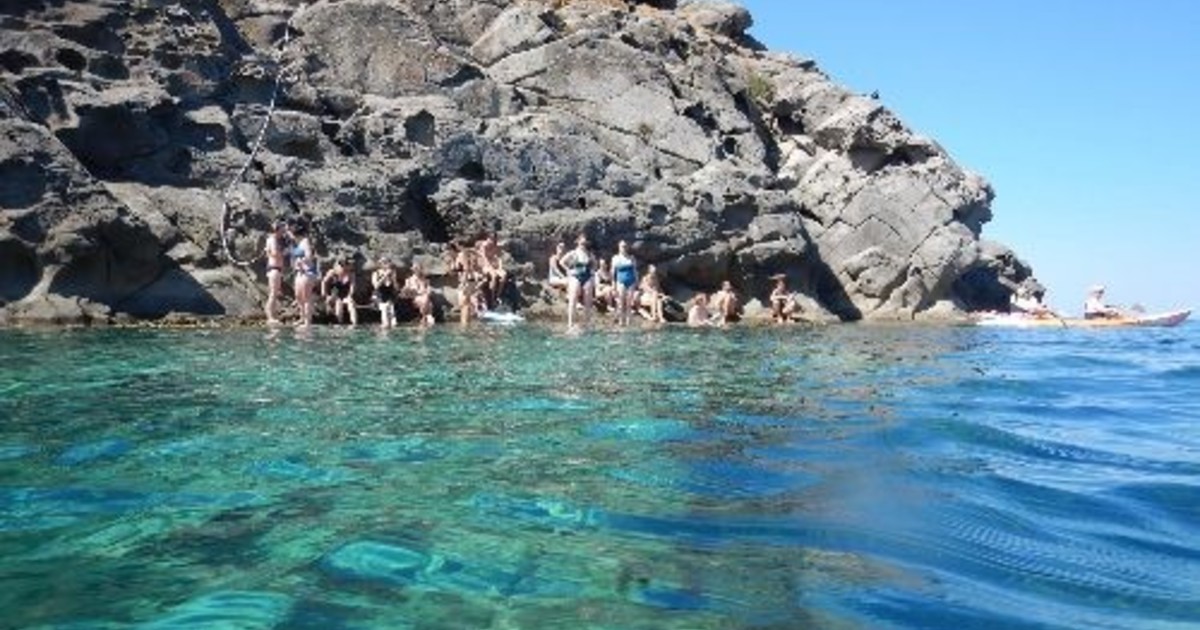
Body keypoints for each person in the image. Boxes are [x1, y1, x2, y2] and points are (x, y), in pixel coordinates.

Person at [559, 234, 596, 330]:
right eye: (582, 243)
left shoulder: (589, 254)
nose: (583, 244)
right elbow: (562, 262)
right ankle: (570, 324)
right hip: (575, 276)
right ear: (578, 242)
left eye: (585, 243)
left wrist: (592, 272)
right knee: (573, 299)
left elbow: (594, 264)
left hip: (587, 277)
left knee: (588, 301)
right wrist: (568, 270)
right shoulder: (573, 253)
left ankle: (587, 323)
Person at [290, 223, 318, 328]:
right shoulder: (297, 243)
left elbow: (309, 256)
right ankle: (302, 317)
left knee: (306, 297)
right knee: (298, 296)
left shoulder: (305, 242)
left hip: (307, 272)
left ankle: (307, 322)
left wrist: (301, 261)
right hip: (299, 272)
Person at [263, 220, 290, 324]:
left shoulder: (273, 239)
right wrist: (285, 252)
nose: (284, 231)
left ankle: (272, 315)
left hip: (275, 269)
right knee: (273, 294)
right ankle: (270, 317)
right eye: (282, 229)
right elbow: (274, 253)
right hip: (274, 268)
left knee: (274, 293)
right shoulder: (273, 239)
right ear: (278, 229)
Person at [321, 258, 358, 326]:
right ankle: (339, 322)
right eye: (341, 266)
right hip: (334, 294)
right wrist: (325, 294)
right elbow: (324, 282)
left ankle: (354, 323)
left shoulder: (351, 274)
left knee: (351, 303)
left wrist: (350, 295)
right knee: (338, 304)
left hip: (344, 294)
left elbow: (352, 287)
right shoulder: (333, 272)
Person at [610, 240, 638, 327]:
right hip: (620, 281)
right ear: (619, 247)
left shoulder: (631, 258)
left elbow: (635, 270)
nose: (624, 248)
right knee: (621, 302)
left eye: (625, 246)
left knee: (629, 303)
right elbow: (613, 272)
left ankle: (629, 322)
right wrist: (613, 284)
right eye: (622, 246)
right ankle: (621, 321)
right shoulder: (615, 258)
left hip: (631, 281)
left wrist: (637, 282)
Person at [477, 233, 507, 307]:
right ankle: (492, 298)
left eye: (493, 240)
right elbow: (484, 258)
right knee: (493, 276)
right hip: (484, 265)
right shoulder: (484, 246)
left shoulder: (496, 246)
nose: (492, 241)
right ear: (488, 238)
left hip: (494, 265)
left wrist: (500, 267)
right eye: (491, 239)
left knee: (504, 275)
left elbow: (499, 257)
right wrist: (490, 267)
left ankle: (498, 295)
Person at [372, 257, 398, 329]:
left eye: (387, 262)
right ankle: (384, 325)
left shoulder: (392, 273)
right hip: (379, 296)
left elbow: (396, 288)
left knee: (394, 322)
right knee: (385, 308)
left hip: (390, 297)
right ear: (380, 264)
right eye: (384, 263)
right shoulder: (376, 273)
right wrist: (385, 276)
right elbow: (376, 286)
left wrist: (393, 279)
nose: (386, 264)